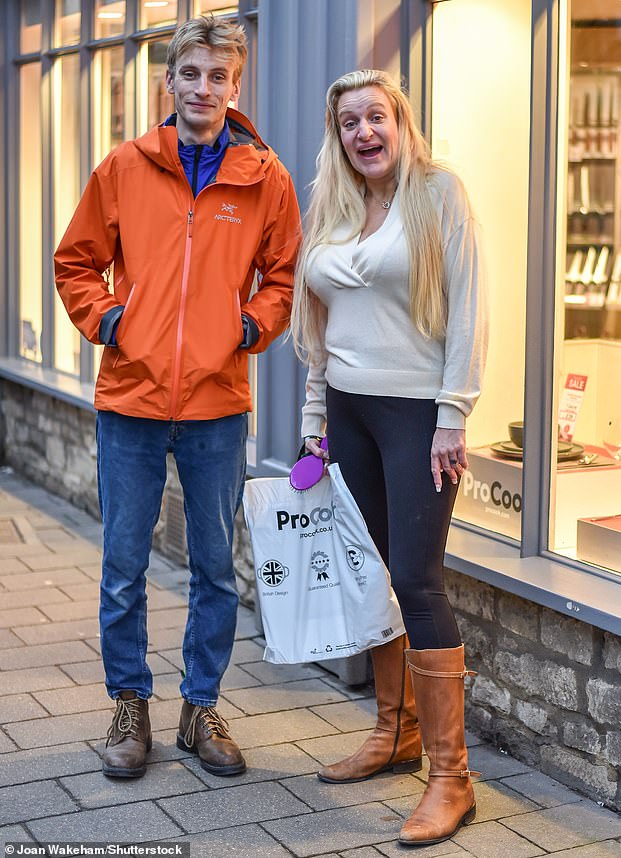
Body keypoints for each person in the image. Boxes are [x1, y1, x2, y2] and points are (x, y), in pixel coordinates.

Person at [55, 15, 300, 780]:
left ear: (237, 83)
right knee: (122, 565)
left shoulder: (267, 179)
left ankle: (201, 707)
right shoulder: (125, 166)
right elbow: (76, 262)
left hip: (218, 405)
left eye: (218, 76)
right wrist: (113, 321)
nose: (203, 88)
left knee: (215, 570)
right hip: (129, 398)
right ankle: (130, 705)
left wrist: (249, 327)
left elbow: (284, 278)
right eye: (190, 74)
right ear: (169, 80)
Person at [290, 69, 488, 847]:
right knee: (372, 572)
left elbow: (469, 305)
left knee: (416, 577)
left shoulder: (439, 194)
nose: (364, 133)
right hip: (347, 409)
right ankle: (394, 732)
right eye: (349, 123)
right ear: (337, 136)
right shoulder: (335, 205)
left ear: (400, 123)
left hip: (415, 415)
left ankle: (452, 777)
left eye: (376, 117)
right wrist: (314, 421)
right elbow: (320, 328)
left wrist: (452, 415)